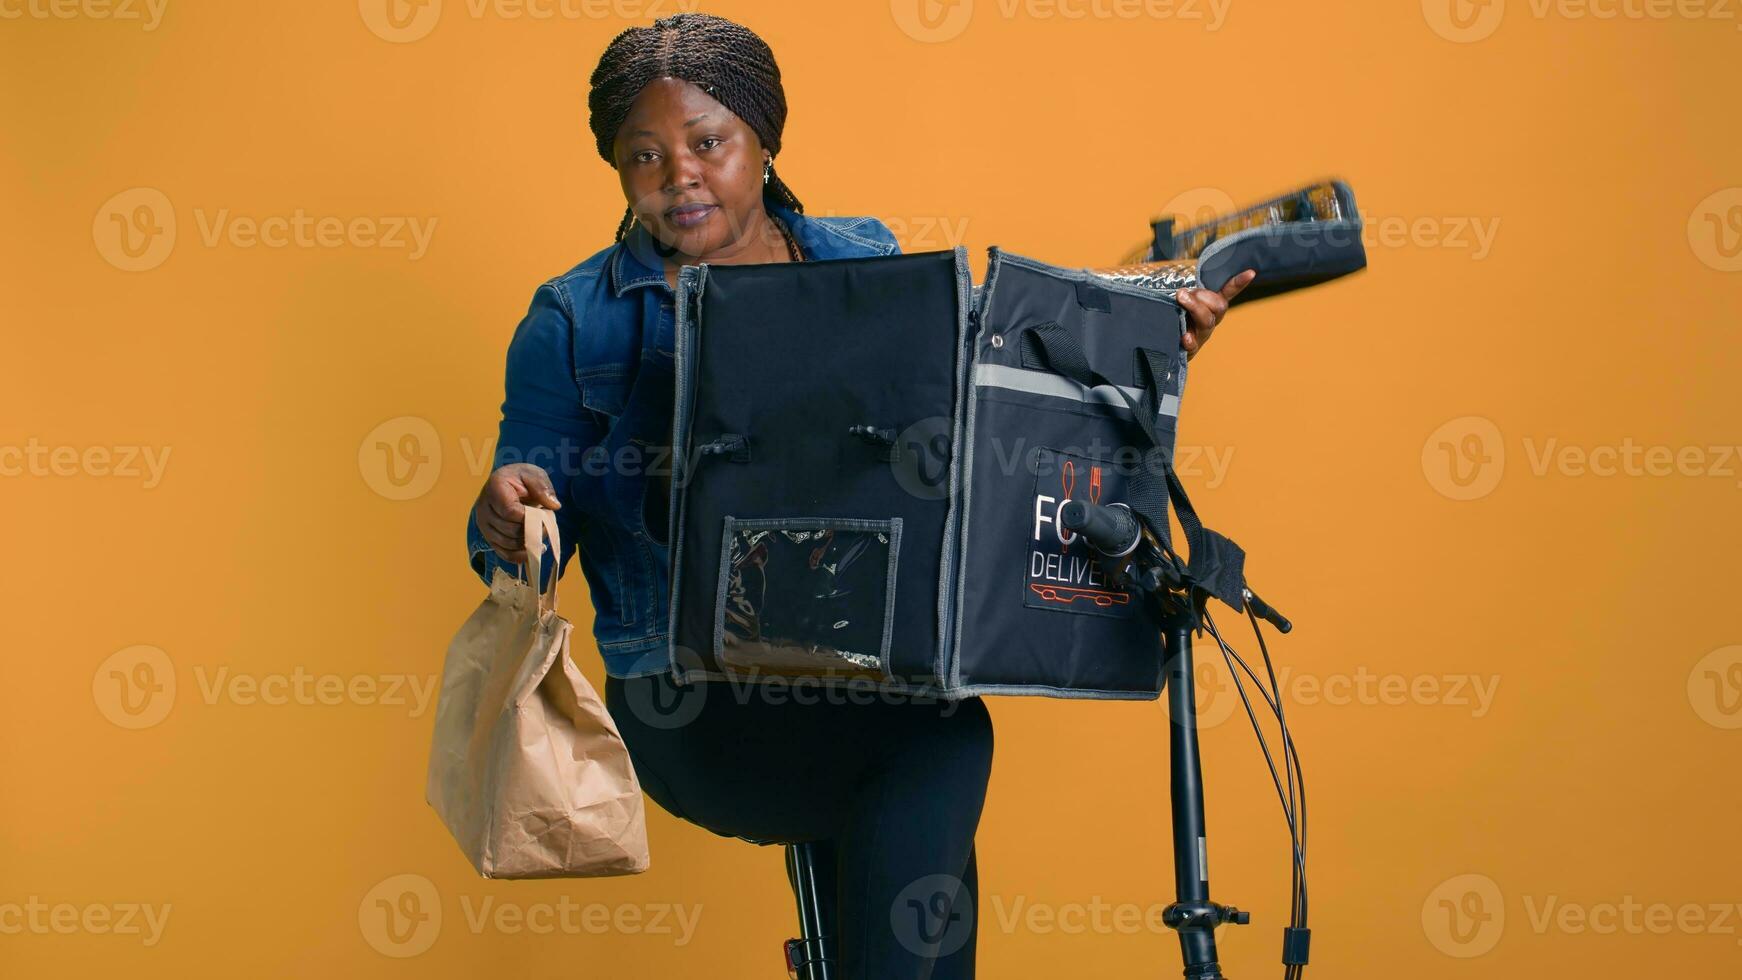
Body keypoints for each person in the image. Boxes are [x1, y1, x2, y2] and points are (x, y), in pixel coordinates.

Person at [465, 13, 1251, 978]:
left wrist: (1147, 344)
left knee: (925, 767)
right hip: (690, 693)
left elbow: (989, 391)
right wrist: (509, 507)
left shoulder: (863, 264)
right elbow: (516, 517)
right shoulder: (574, 320)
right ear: (619, 171)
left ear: (762, 143)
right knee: (938, 751)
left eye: (708, 142)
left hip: (870, 659)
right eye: (645, 157)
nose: (681, 175)